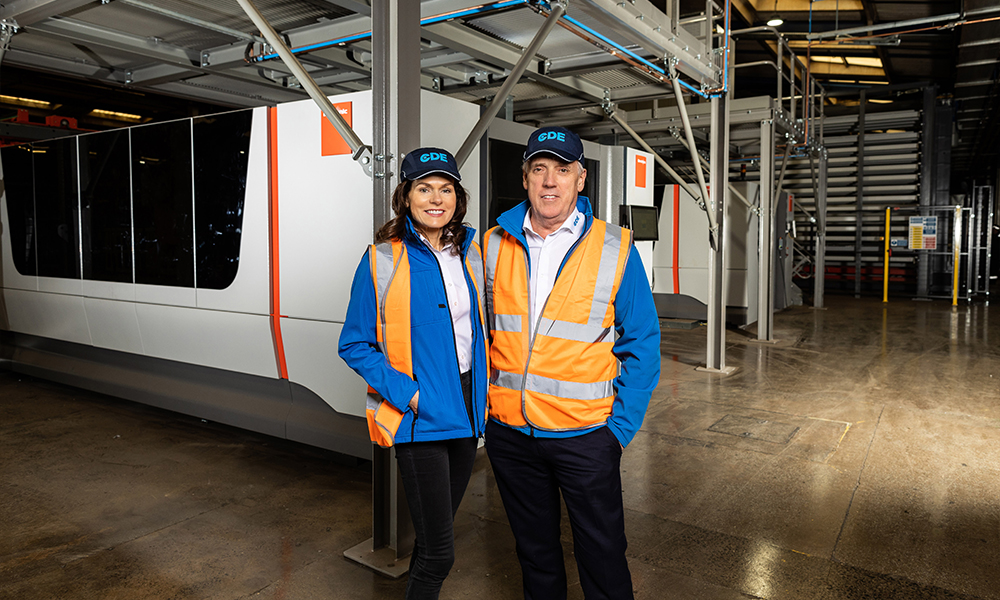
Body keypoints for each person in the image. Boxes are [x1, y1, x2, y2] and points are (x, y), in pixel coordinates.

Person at [483, 126, 661, 600]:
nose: (550, 181)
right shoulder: (493, 244)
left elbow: (643, 341)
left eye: (562, 170)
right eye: (539, 169)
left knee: (603, 557)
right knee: (534, 554)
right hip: (511, 435)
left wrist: (618, 430)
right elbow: (477, 333)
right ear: (525, 178)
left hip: (586, 437)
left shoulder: (615, 247)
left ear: (580, 180)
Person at [338, 147, 488, 600]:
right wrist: (410, 395)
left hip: (467, 411)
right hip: (420, 417)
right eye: (424, 189)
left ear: (458, 199)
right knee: (440, 554)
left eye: (446, 189)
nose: (436, 199)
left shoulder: (472, 254)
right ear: (405, 197)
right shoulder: (381, 259)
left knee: (429, 542)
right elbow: (354, 343)